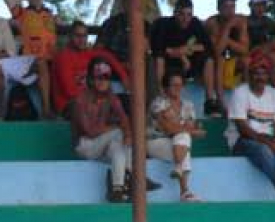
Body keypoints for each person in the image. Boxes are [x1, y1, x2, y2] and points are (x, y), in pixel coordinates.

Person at [225, 53, 275, 200]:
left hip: (267, 139)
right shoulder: (240, 92)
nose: (260, 77)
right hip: (241, 141)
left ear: (268, 76)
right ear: (249, 75)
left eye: (263, 74)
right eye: (256, 73)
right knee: (264, 150)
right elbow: (242, 128)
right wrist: (266, 142)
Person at [72, 59, 135, 203]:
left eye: (105, 78)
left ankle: (117, 189)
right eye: (98, 78)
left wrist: (128, 134)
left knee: (118, 149)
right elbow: (90, 131)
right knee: (118, 134)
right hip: (84, 146)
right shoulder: (81, 99)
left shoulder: (111, 97)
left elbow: (124, 119)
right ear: (91, 80)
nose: (102, 82)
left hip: (101, 145)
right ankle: (132, 177)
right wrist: (118, 129)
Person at [151, 0, 219, 117]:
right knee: (159, 58)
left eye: (189, 15)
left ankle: (209, 101)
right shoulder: (164, 24)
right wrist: (179, 54)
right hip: (170, 64)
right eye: (182, 14)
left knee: (208, 59)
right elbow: (159, 49)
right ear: (175, 13)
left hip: (190, 64)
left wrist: (186, 49)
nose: (185, 18)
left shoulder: (195, 23)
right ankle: (162, 97)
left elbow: (207, 46)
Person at [52, 20, 129, 118]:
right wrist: (97, 99)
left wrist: (124, 77)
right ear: (70, 36)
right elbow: (70, 91)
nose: (82, 40)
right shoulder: (63, 57)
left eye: (84, 36)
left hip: (89, 101)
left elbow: (109, 57)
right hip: (69, 105)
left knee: (124, 102)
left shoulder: (89, 53)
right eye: (78, 36)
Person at [148, 71, 206, 201]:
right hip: (155, 141)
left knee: (183, 138)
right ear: (165, 87)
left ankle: (180, 172)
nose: (177, 89)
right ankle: (184, 191)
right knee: (184, 139)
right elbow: (167, 129)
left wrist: (186, 129)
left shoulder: (188, 105)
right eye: (173, 85)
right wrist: (191, 131)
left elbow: (188, 127)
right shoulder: (158, 103)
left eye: (180, 85)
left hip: (176, 144)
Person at [8, 0, 57, 119]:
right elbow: (10, 3)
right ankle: (46, 110)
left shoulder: (50, 14)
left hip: (51, 58)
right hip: (31, 60)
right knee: (42, 64)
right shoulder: (21, 12)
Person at [205, 0, 248, 112]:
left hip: (233, 62)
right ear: (218, 8)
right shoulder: (212, 22)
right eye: (226, 7)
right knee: (220, 59)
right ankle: (220, 102)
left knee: (246, 61)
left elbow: (244, 49)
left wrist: (226, 40)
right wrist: (228, 27)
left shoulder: (241, 21)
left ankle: (249, 101)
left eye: (233, 7)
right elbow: (217, 51)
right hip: (214, 64)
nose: (230, 11)